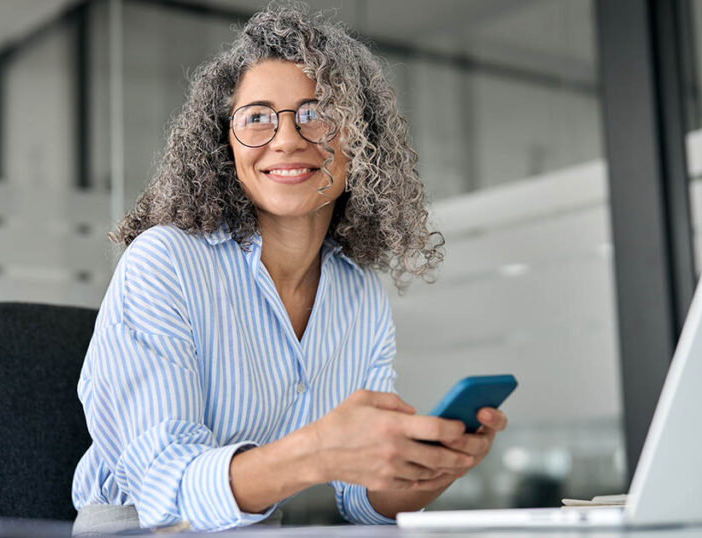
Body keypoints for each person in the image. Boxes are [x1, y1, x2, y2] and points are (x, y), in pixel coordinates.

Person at [70, 4, 508, 534]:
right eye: (256, 117)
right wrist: (318, 450)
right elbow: (168, 488)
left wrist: (432, 467)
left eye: (316, 112)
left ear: (359, 139)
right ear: (223, 144)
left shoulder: (358, 293)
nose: (286, 139)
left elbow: (361, 501)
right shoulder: (165, 262)